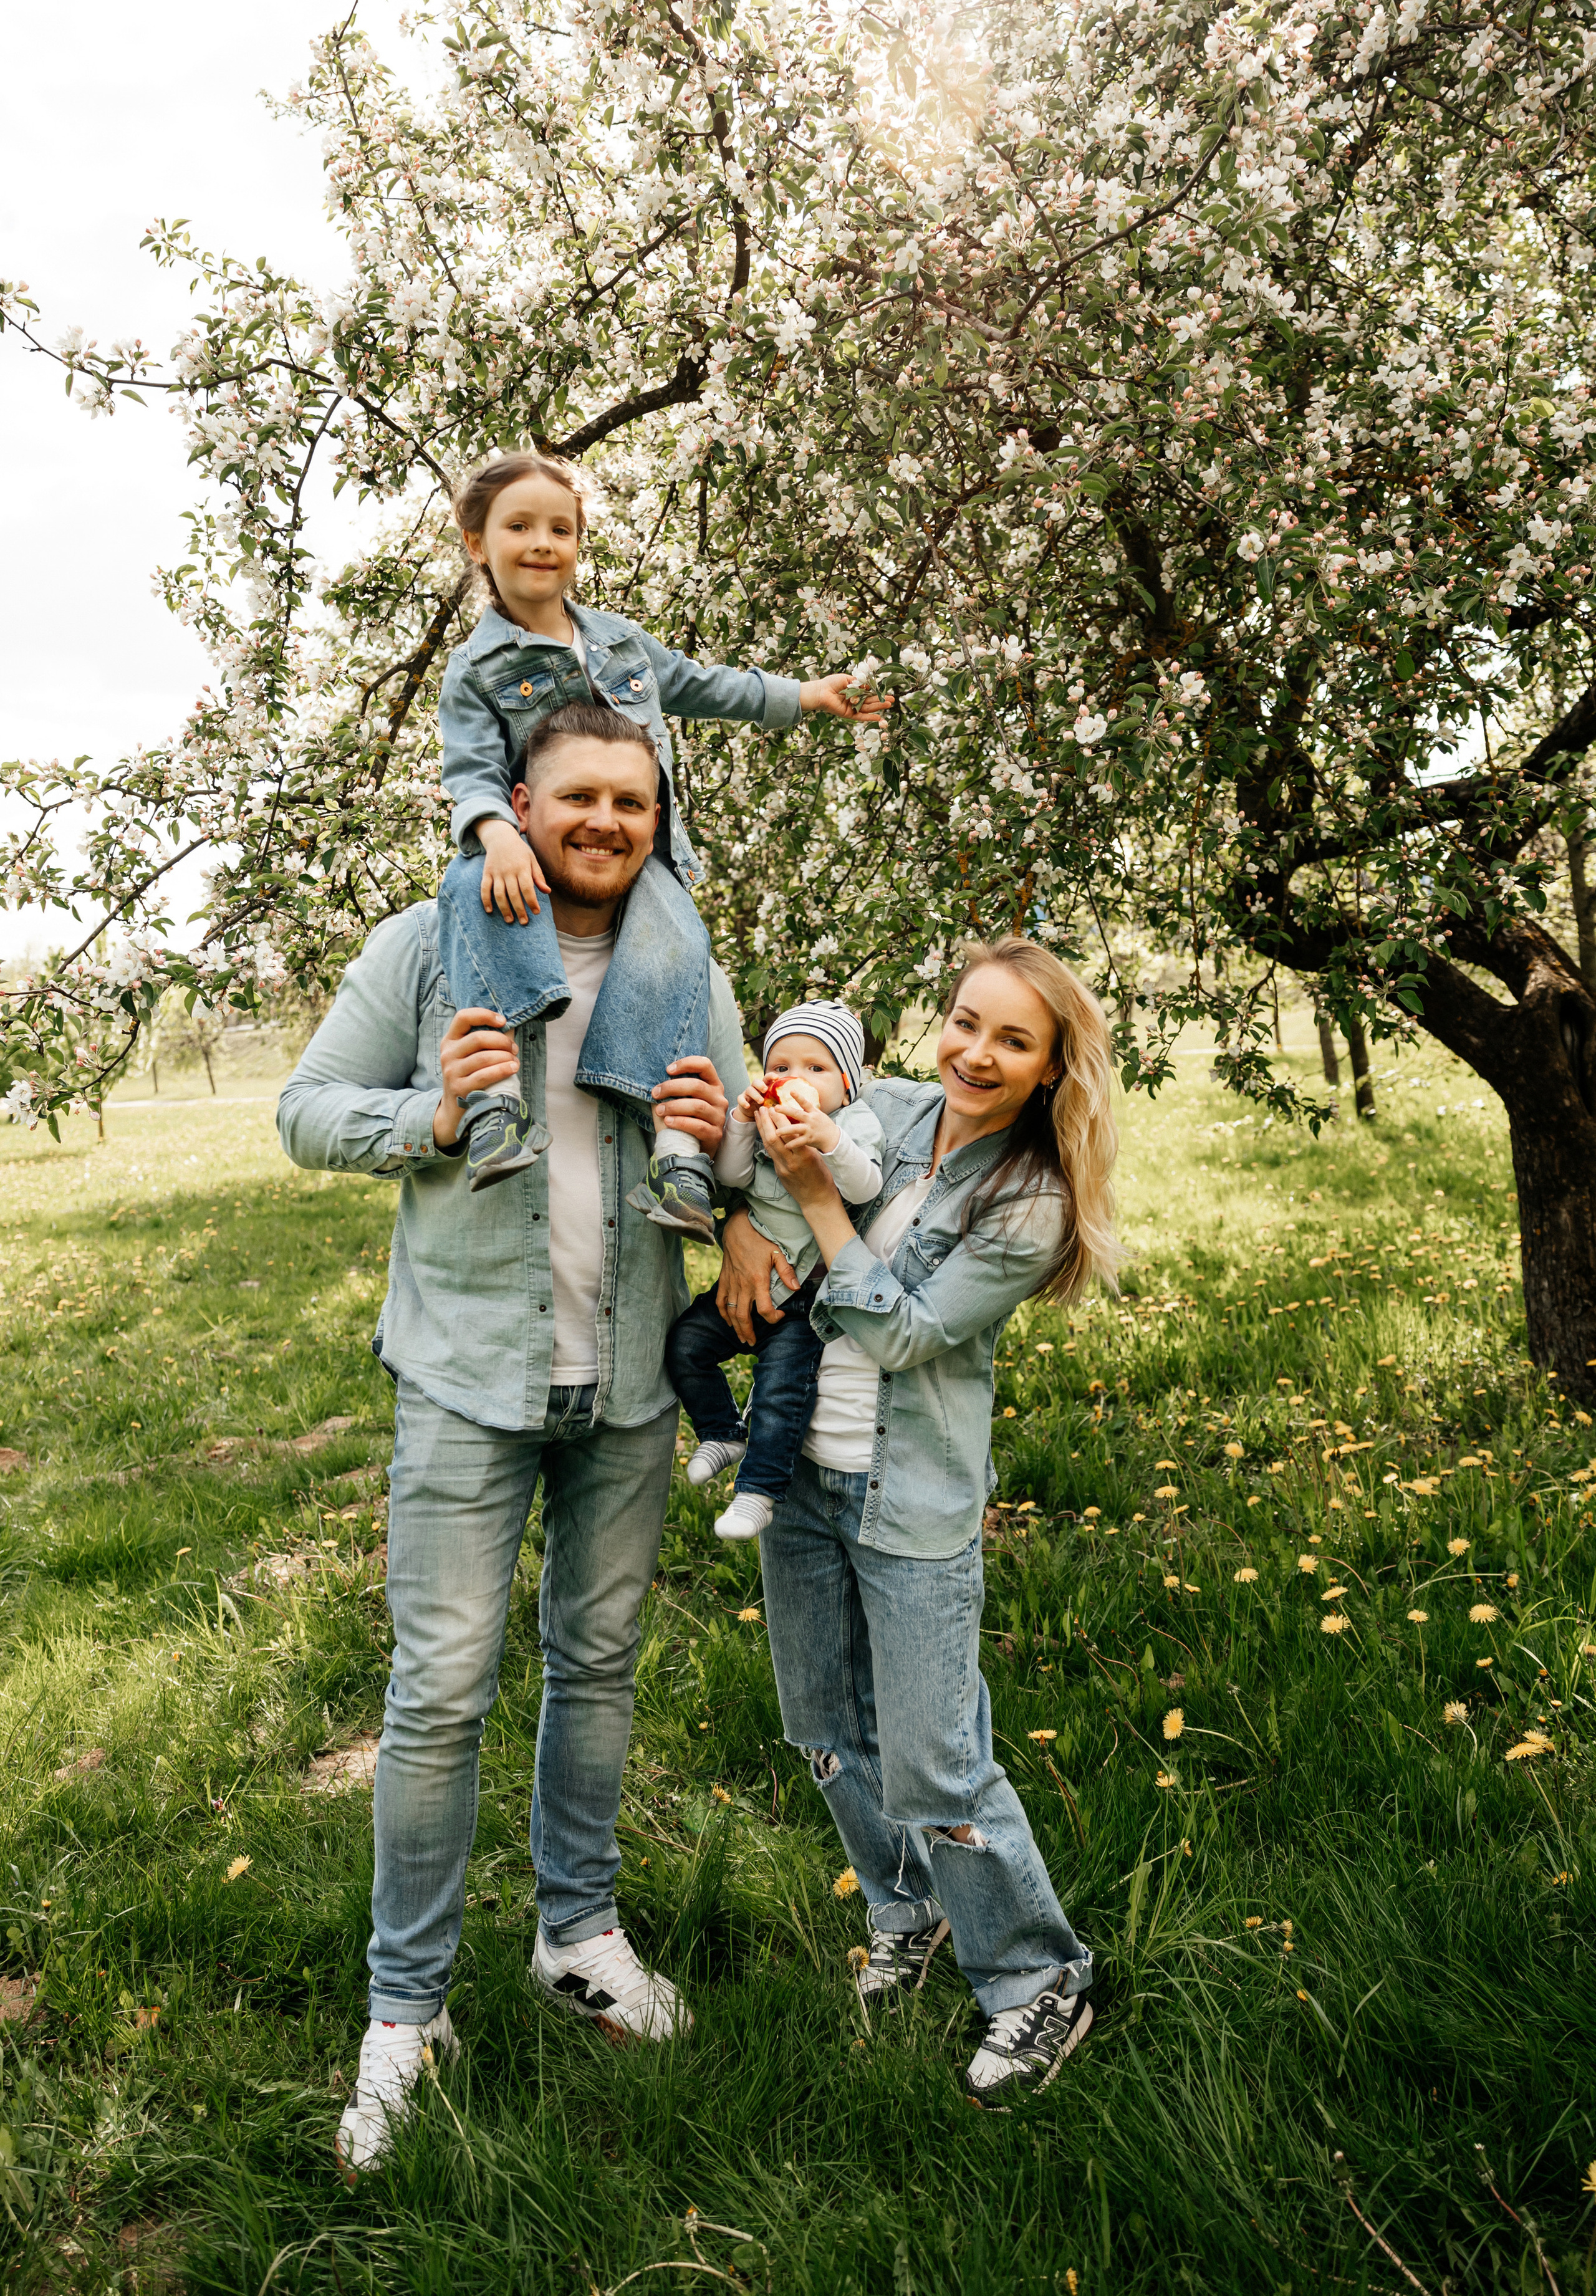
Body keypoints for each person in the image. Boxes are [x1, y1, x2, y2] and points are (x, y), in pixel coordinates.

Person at [277, 702, 748, 2176]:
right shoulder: (430, 948)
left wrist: (719, 1139)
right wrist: (431, 1115)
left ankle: (577, 1933)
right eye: (576, 797)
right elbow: (304, 1110)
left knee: (597, 1662)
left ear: (656, 814)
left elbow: (745, 1151)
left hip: (619, 1382)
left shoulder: (682, 970)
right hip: (467, 1376)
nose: (605, 821)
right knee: (439, 1691)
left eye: (631, 798)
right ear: (517, 807)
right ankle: (405, 2011)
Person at [749, 938, 1122, 2100]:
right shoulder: (892, 1109)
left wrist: (814, 1196)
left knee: (936, 1763)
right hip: (801, 1476)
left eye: (1015, 1040)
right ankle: (909, 1909)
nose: (978, 1052)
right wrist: (750, 1184)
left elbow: (902, 1331)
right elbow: (767, 1147)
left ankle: (1039, 1980)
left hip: (908, 1496)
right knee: (821, 1728)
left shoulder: (1031, 1204)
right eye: (967, 1022)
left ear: (1053, 1069)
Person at [433, 448, 890, 1222]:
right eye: (519, 526)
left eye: (560, 528)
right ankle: (494, 1108)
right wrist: (495, 833)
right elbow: (471, 768)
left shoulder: (620, 642)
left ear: (578, 545)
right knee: (469, 890)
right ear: (478, 543)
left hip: (639, 857)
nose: (542, 542)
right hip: (528, 851)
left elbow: (708, 686)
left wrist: (804, 696)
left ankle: (677, 1160)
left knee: (678, 944)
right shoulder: (477, 669)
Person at [666, 1001, 884, 1542]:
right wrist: (741, 1121)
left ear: (847, 1083)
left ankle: (758, 1493)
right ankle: (720, 1431)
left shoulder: (852, 1124)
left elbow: (866, 1187)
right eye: (780, 1066)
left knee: (780, 1395)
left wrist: (825, 1139)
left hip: (801, 1300)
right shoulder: (765, 1120)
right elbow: (733, 1174)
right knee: (685, 1345)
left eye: (816, 1068)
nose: (794, 1079)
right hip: (743, 1279)